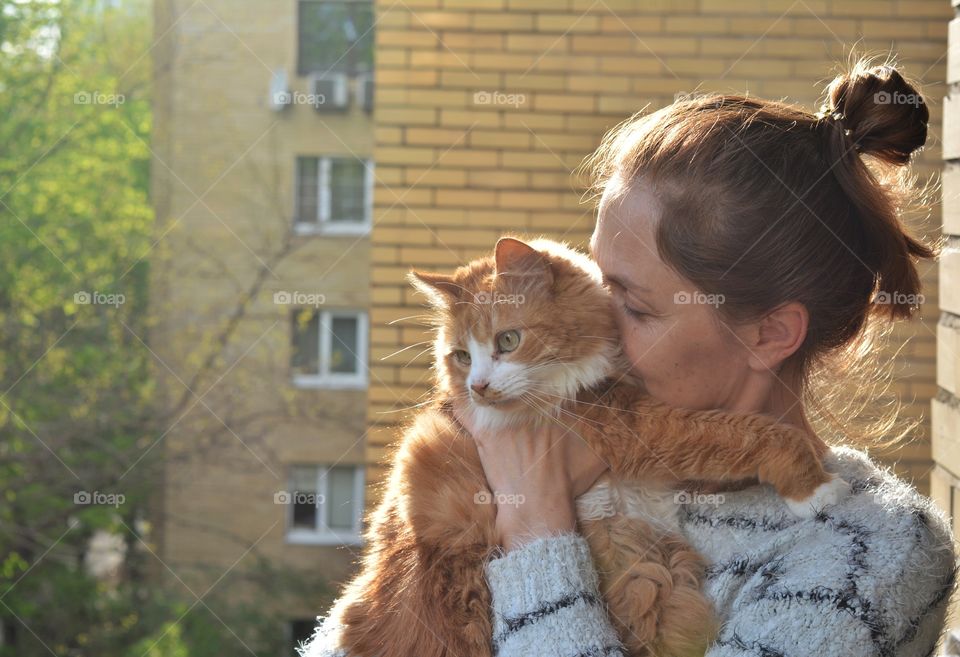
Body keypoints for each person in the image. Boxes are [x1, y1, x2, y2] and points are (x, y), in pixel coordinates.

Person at [299, 57, 959, 657]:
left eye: (636, 307)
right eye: (591, 278)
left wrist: (535, 526)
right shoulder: (558, 445)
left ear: (769, 334)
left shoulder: (873, 550)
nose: (588, 323)